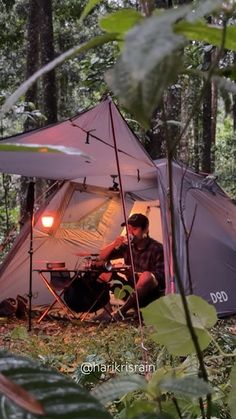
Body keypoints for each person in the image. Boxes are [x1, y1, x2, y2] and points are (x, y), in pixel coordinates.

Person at [95, 213, 165, 322]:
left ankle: (120, 312)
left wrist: (135, 274)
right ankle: (108, 312)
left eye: (134, 229)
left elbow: (162, 278)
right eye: (128, 229)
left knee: (146, 275)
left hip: (149, 296)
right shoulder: (128, 247)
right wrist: (114, 243)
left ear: (145, 230)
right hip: (130, 291)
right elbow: (101, 257)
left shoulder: (157, 248)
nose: (130, 233)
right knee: (104, 272)